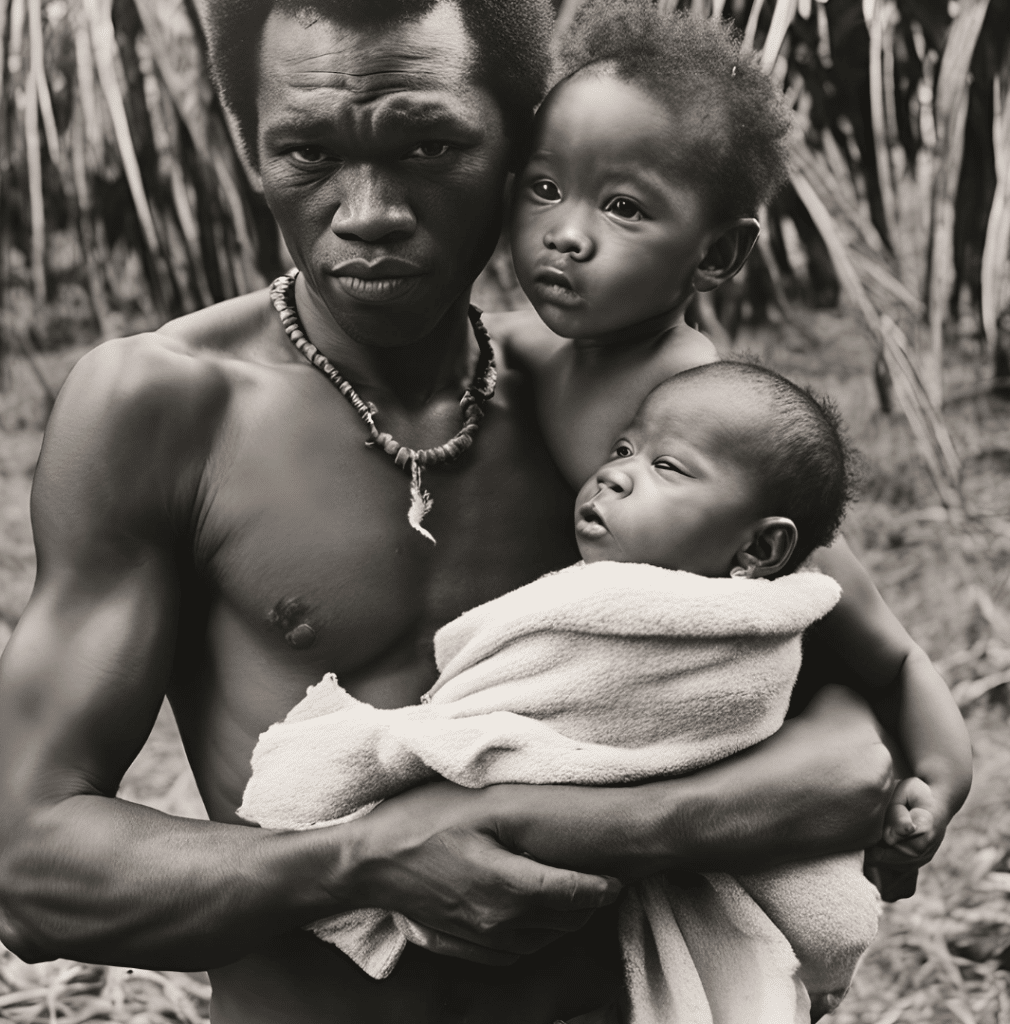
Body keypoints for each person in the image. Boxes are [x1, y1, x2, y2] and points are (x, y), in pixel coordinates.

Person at [0, 2, 905, 1022]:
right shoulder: (163, 408)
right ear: (253, 148)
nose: (369, 208)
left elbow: (853, 758)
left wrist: (574, 823)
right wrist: (361, 860)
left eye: (430, 144)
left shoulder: (610, 413)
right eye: (307, 151)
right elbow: (30, 867)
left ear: (517, 151)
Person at [240, 362, 886, 1023]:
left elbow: (567, 724)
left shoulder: (711, 632)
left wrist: (398, 756)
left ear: (760, 549)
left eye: (670, 468)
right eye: (623, 449)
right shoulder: (609, 593)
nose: (614, 473)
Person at [500, 1, 971, 865]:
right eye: (543, 188)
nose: (565, 233)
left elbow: (873, 634)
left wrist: (939, 775)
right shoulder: (521, 347)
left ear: (715, 257)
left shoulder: (695, 407)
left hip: (725, 757)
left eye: (624, 208)